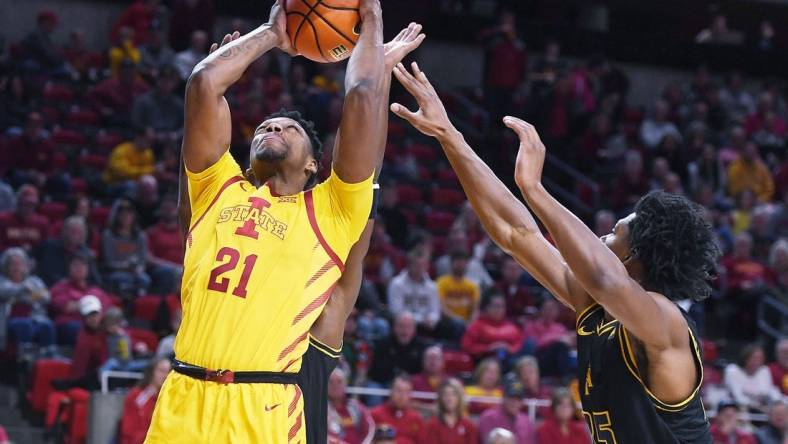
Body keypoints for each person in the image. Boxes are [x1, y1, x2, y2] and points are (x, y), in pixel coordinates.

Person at [390, 63, 717, 442]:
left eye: (613, 234)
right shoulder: (596, 307)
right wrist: (450, 136)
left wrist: (537, 191)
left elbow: (605, 278)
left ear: (636, 257)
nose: (600, 237)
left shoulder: (666, 323)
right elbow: (514, 233)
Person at [173, 23, 424, 444]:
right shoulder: (217, 194)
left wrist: (370, 25)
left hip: (261, 402)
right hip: (182, 396)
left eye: (289, 129)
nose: (272, 129)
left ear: (313, 166)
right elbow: (203, 84)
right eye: (264, 127)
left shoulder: (327, 214)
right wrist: (273, 32)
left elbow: (361, 103)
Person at [0, 247, 55, 358]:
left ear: (25, 266)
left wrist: (29, 295)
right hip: (8, 321)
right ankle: (25, 359)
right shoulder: (2, 281)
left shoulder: (35, 281)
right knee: (24, 324)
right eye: (13, 264)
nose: (17, 267)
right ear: (6, 266)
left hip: (35, 318)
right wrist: (24, 290)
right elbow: (5, 292)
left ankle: (48, 359)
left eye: (19, 264)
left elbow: (46, 297)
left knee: (47, 326)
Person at [50, 254, 114, 345]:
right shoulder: (60, 287)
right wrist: (91, 305)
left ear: (87, 269)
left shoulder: (97, 291)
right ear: (69, 268)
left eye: (83, 265)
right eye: (75, 265)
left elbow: (110, 311)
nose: (79, 268)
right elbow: (66, 307)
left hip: (98, 325)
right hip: (71, 325)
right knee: (84, 328)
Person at [101, 199, 151, 299]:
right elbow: (108, 261)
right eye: (122, 215)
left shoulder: (140, 236)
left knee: (145, 279)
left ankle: (138, 302)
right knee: (122, 279)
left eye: (128, 215)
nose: (125, 218)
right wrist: (125, 266)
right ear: (117, 217)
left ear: (133, 217)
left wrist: (139, 268)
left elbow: (142, 259)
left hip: (135, 271)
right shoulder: (108, 235)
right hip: (116, 271)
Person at [35, 215, 100, 286]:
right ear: (64, 231)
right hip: (49, 288)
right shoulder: (48, 246)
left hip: (78, 291)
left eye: (79, 232)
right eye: (72, 231)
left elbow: (95, 281)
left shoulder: (87, 253)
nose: (75, 235)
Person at [119, 358, 171, 444]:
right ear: (151, 372)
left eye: (168, 371)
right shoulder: (136, 396)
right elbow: (129, 431)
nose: (165, 375)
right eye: (161, 370)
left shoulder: (170, 398)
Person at [369, 312, 430, 386]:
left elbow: (423, 372)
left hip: (412, 384)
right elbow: (376, 371)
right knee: (373, 386)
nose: (404, 331)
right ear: (394, 327)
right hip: (386, 382)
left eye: (408, 327)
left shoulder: (422, 346)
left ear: (414, 329)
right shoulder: (383, 344)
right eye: (401, 326)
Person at [460, 290, 523, 361]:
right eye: (496, 306)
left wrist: (509, 348)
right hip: (485, 360)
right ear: (487, 307)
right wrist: (488, 348)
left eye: (502, 306)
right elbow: (467, 346)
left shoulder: (511, 326)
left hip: (510, 359)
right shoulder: (477, 326)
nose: (500, 310)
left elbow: (520, 344)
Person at [477, 375, 537, 444]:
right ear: (504, 397)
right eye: (511, 398)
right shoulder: (488, 417)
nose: (515, 403)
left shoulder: (527, 422)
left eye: (518, 399)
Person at [723, 344, 783, 412]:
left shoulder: (764, 370)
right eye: (754, 358)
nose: (757, 361)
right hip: (737, 408)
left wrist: (778, 402)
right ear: (745, 358)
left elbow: (769, 391)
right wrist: (759, 407)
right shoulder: (732, 370)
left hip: (762, 408)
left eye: (760, 358)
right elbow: (738, 397)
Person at [371, 375, 426, 444]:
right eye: (398, 390)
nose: (402, 396)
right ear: (391, 391)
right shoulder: (375, 414)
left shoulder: (416, 419)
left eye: (406, 392)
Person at [327, 368, 375, 444]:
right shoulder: (319, 409)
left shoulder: (357, 408)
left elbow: (369, 431)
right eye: (331, 382)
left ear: (346, 384)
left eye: (339, 382)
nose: (335, 385)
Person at [425, 379, 479, 444]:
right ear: (440, 399)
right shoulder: (432, 425)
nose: (449, 398)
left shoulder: (469, 426)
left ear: (459, 398)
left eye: (453, 394)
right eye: (445, 395)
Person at [436, 249, 481, 325]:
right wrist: (457, 320)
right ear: (451, 263)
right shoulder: (441, 282)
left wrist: (471, 323)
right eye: (458, 262)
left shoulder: (472, 286)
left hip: (466, 323)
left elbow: (475, 310)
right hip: (447, 322)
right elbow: (441, 307)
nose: (461, 265)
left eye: (463, 263)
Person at [0, 184, 49, 251]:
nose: (29, 208)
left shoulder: (42, 223)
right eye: (26, 204)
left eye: (32, 205)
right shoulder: (3, 220)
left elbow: (45, 248)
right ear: (18, 203)